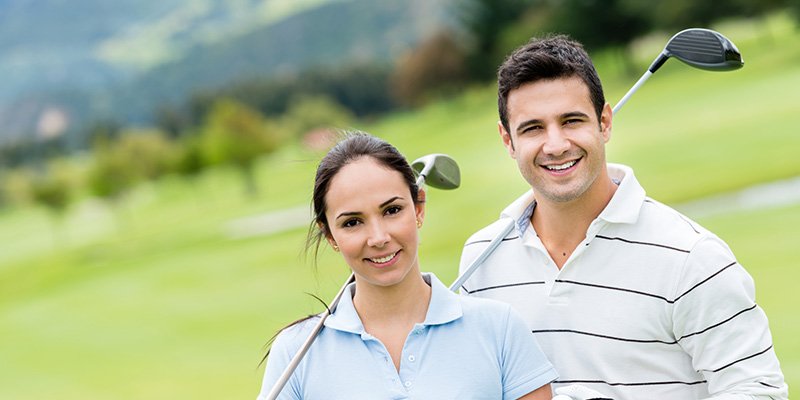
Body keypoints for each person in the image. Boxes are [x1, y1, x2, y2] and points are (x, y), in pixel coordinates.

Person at [459, 35, 788, 399]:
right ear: (508, 140)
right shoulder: (481, 259)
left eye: (571, 121)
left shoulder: (692, 257)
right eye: (533, 128)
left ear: (605, 122)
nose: (555, 145)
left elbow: (758, 391)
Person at [258, 131, 558, 399]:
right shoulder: (296, 351)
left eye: (392, 210)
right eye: (352, 222)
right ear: (330, 236)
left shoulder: (499, 328)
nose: (378, 238)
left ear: (419, 208)